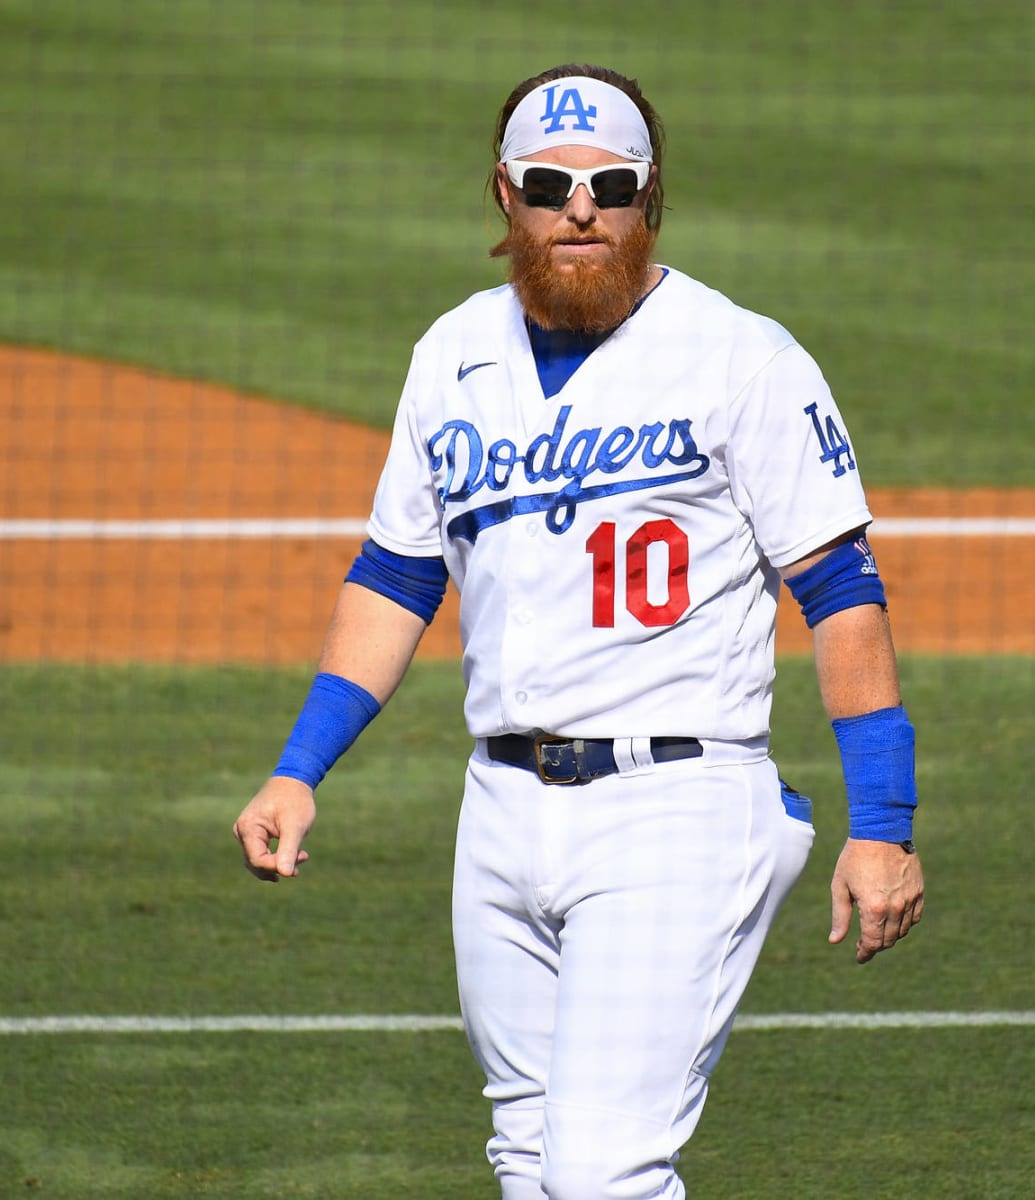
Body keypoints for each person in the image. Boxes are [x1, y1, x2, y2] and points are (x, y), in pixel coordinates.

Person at [233, 63, 925, 1200]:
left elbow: (841, 594)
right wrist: (299, 768)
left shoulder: (741, 357)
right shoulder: (451, 356)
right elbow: (397, 575)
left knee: (604, 1169)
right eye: (551, 184)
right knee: (528, 1156)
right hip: (498, 810)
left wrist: (884, 820)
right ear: (504, 195)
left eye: (612, 184)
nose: (582, 209)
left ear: (653, 199)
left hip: (678, 810)